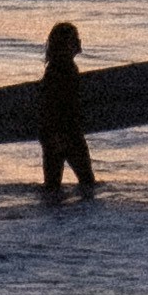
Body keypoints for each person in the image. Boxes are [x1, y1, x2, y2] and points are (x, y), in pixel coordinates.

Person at [38, 19, 97, 203]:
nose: (79, 42)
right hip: (66, 134)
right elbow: (54, 105)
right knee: (87, 185)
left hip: (55, 134)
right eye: (75, 39)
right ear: (65, 45)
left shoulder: (59, 69)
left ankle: (57, 226)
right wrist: (58, 136)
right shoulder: (61, 71)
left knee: (52, 190)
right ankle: (78, 225)